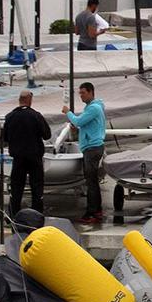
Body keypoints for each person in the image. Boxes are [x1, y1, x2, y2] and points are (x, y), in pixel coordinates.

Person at [62, 82, 106, 224]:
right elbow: (84, 124)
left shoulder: (93, 108)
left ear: (91, 92)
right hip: (93, 147)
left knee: (91, 182)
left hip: (92, 149)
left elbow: (79, 121)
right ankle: (96, 211)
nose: (81, 96)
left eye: (83, 93)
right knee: (93, 181)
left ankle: (92, 213)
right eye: (79, 93)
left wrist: (67, 112)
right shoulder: (92, 107)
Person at [2, 90, 51, 215]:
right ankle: (37, 214)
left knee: (16, 187)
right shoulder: (36, 116)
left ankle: (13, 215)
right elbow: (47, 135)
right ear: (29, 100)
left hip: (18, 157)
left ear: (19, 100)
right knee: (37, 187)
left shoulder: (10, 117)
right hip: (34, 157)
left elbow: (5, 137)